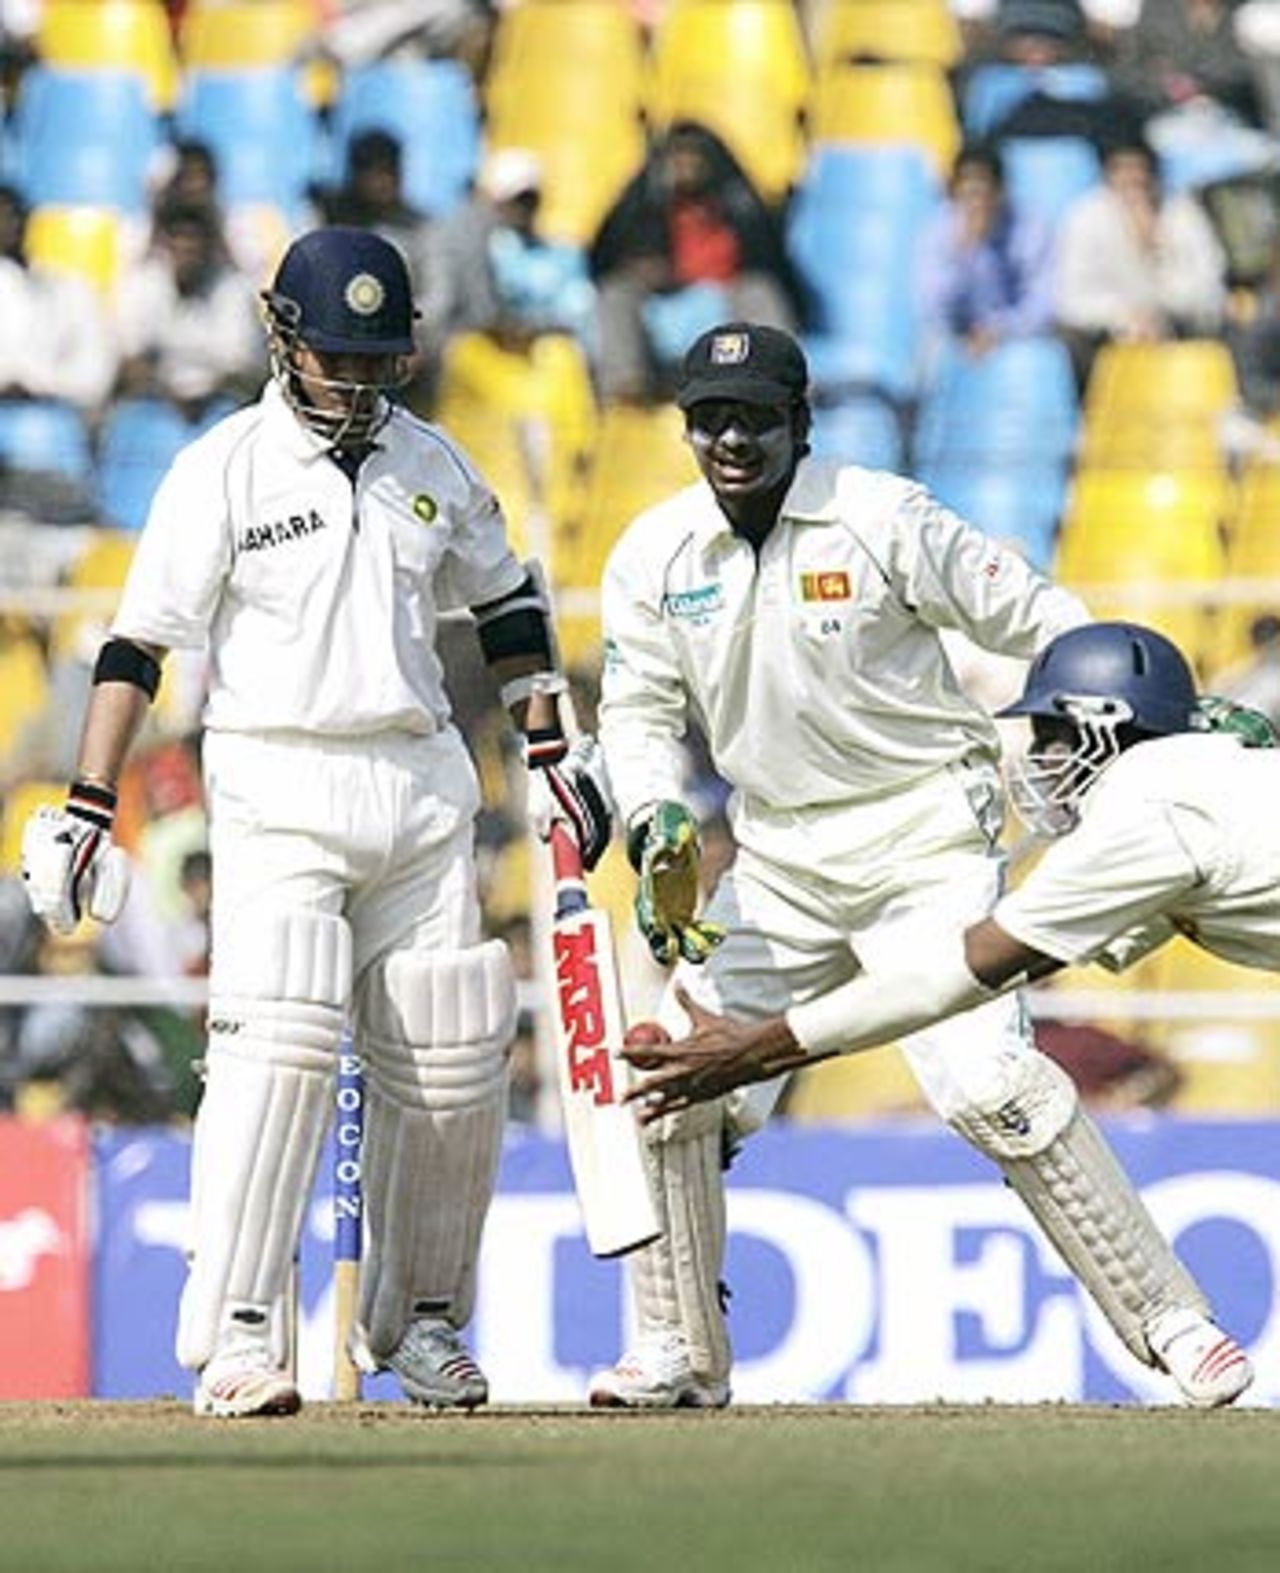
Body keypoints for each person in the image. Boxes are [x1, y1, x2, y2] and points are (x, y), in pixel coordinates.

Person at [591, 323, 1249, 1413]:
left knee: (989, 1086)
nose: (730, 439)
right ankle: (677, 1351)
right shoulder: (650, 556)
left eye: (753, 416)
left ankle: (1171, 1324)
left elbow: (1041, 620)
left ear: (799, 423)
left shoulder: (881, 515)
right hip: (777, 856)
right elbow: (640, 710)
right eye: (709, 418)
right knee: (673, 1076)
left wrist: (1150, 715)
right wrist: (656, 810)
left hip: (924, 835)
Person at [19, 225, 610, 1420]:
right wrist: (90, 800)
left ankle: (423, 1322)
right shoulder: (223, 468)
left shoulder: (430, 460)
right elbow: (138, 645)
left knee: (448, 1057)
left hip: (419, 780)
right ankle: (242, 1327)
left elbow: (505, 602)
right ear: (281, 335)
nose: (355, 384)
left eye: (376, 361)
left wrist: (549, 744)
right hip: (276, 779)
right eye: (336, 359)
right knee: (275, 1050)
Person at [621, 619, 1262, 1407]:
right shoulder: (1207, 774)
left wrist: (760, 1049)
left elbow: (951, 979)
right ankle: (677, 1345)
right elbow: (1063, 947)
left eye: (1059, 735)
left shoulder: (1146, 810)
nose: (1046, 761)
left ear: (1110, 726)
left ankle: (1173, 1322)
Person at [587, 121, 800, 405]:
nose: (685, 166)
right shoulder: (644, 202)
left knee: (760, 292)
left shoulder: (739, 204)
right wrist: (639, 267)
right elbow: (604, 255)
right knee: (614, 295)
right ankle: (626, 387)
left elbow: (770, 260)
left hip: (727, 295)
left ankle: (778, 382)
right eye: (678, 158)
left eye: (693, 158)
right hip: (664, 296)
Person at [1053, 131, 1228, 389]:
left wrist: (1155, 254)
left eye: (1140, 169)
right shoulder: (1085, 217)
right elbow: (1072, 298)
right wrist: (1123, 317)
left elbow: (1209, 283)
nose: (1134, 179)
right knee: (1069, 341)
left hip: (1177, 325)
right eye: (1122, 170)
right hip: (1108, 334)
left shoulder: (1181, 212)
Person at [114, 194, 266, 421]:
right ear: (165, 244)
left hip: (223, 406)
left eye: (193, 247)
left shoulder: (235, 290)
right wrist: (170, 395)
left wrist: (199, 395)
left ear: (209, 246)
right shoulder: (142, 285)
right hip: (158, 403)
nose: (186, 256)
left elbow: (242, 372)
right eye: (178, 245)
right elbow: (130, 362)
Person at [916, 140, 1058, 359]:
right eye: (967, 192)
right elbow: (933, 306)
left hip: (1017, 337)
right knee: (930, 351)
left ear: (1001, 191)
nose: (975, 202)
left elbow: (1043, 304)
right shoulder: (937, 231)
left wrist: (999, 329)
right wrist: (963, 254)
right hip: (955, 337)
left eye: (982, 191)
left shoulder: (1031, 228)